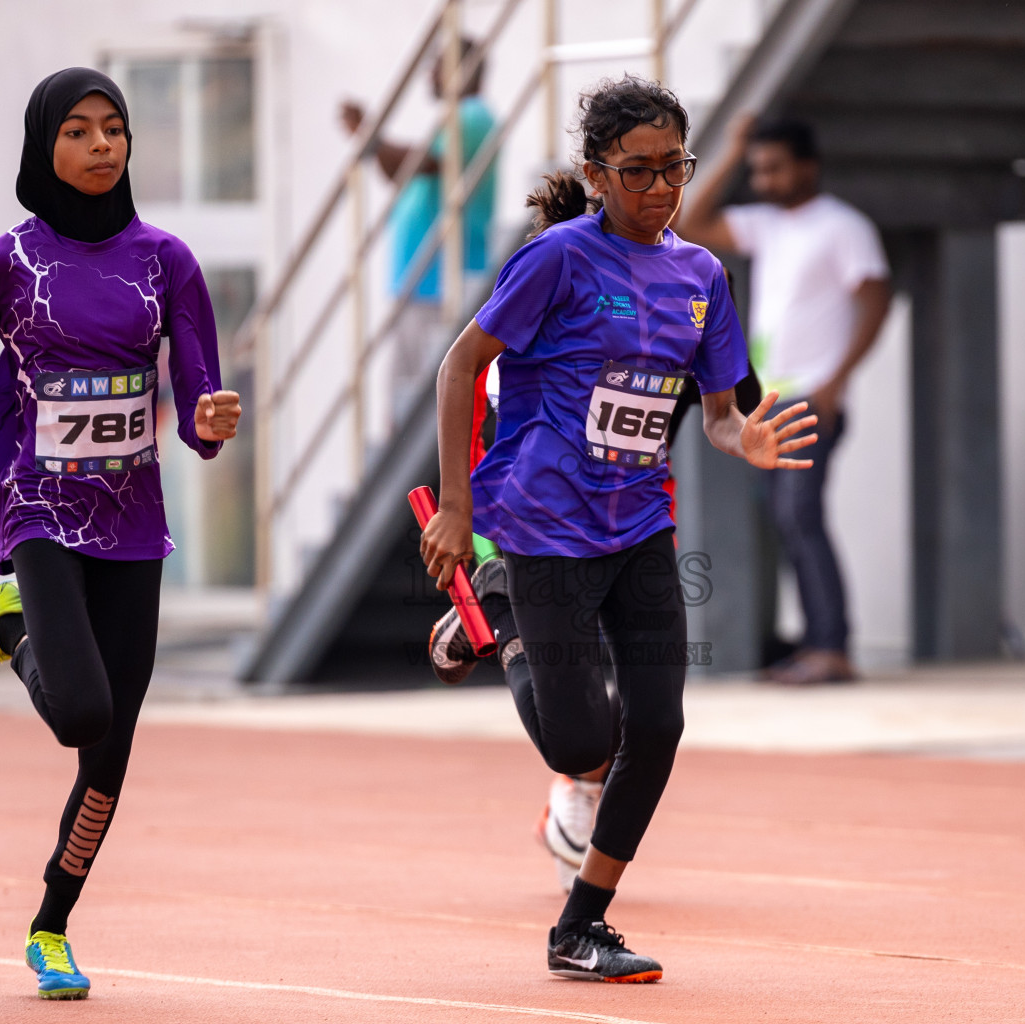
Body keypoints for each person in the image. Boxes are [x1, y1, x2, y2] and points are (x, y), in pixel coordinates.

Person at [419, 74, 818, 982]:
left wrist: (738, 436)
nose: (662, 191)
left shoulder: (701, 275)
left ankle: (581, 924)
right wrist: (456, 505)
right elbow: (459, 367)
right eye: (637, 174)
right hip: (542, 520)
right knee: (580, 745)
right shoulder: (558, 259)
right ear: (597, 176)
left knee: (661, 725)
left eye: (674, 169)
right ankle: (501, 610)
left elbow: (715, 411)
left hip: (638, 523)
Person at [0, 68, 240, 1000]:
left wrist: (212, 421)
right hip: (37, 507)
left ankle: (51, 927)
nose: (100, 146)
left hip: (133, 520)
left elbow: (197, 416)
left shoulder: (168, 263)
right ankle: (10, 624)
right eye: (78, 131)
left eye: (114, 130)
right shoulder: (6, 262)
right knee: (80, 712)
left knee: (110, 750)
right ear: (43, 146)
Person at [676, 115, 891, 685]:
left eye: (775, 167)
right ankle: (813, 642)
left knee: (800, 514)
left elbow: (875, 300)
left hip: (811, 397)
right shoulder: (766, 225)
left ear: (808, 166)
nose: (765, 179)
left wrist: (836, 380)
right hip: (769, 403)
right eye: (758, 170)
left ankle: (831, 646)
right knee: (786, 518)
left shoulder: (844, 226)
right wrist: (730, 154)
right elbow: (689, 222)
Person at [340, 37, 498, 423]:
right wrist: (371, 140)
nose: (430, 72)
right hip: (422, 282)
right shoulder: (455, 120)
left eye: (438, 62)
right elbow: (399, 171)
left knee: (410, 411)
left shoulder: (472, 115)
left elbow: (422, 164)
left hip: (440, 282)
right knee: (400, 400)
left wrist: (371, 134)